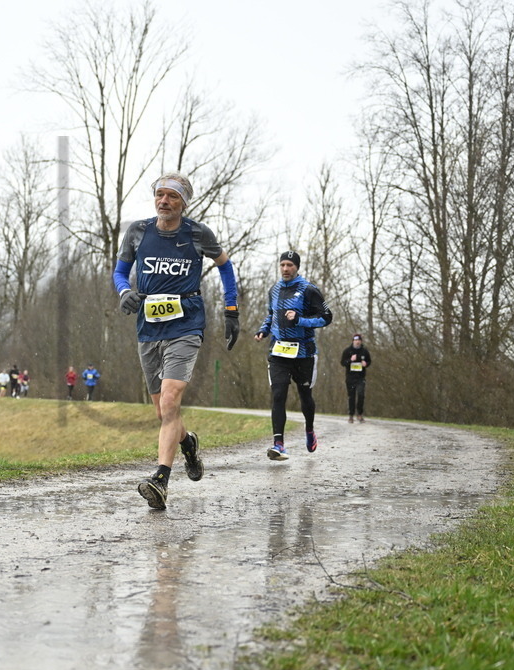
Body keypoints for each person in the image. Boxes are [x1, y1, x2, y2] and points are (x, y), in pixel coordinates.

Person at [113, 171, 240, 510]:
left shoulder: (197, 233)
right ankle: (188, 442)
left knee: (170, 400)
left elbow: (225, 267)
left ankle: (161, 480)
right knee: (162, 411)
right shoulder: (138, 232)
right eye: (160, 195)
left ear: (184, 202)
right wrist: (124, 291)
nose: (164, 201)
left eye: (172, 196)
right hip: (148, 328)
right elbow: (119, 271)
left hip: (186, 325)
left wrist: (232, 310)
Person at [254, 250, 332, 461]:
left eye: (290, 265)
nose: (286, 269)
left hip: (304, 352)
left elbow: (326, 318)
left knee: (305, 396)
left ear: (297, 267)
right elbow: (271, 315)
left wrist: (300, 320)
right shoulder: (274, 290)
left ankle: (309, 430)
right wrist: (263, 330)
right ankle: (278, 443)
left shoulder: (309, 290)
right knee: (278, 394)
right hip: (279, 351)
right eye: (283, 265)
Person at [341, 333, 372, 423]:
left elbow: (369, 361)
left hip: (361, 377)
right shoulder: (347, 351)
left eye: (359, 340)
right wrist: (350, 360)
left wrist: (366, 364)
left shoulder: (364, 351)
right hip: (350, 377)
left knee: (361, 395)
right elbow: (342, 363)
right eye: (355, 340)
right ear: (353, 341)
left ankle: (359, 414)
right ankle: (351, 415)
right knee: (351, 396)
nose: (357, 342)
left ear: (361, 341)